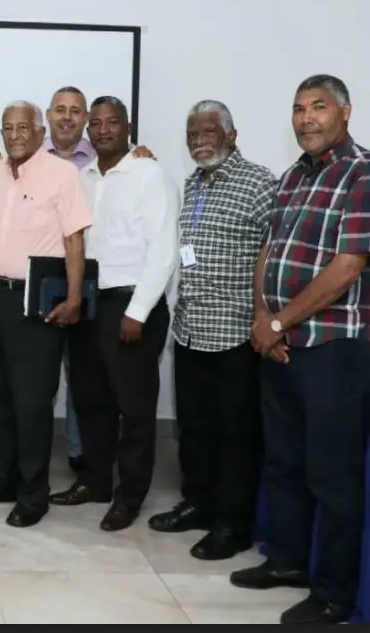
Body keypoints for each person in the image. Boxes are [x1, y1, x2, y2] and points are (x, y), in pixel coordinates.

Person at [231, 74, 370, 626]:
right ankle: (287, 561)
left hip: (334, 349)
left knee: (332, 475)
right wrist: (262, 319)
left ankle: (334, 593)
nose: (306, 118)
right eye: (298, 109)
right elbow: (270, 251)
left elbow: (348, 266)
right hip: (282, 345)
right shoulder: (293, 175)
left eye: (318, 107)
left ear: (345, 112)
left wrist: (279, 320)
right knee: (284, 461)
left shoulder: (361, 173)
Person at [0, 86, 154, 473]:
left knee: (82, 380)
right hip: (29, 291)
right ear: (48, 119)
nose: (67, 117)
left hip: (83, 287)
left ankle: (80, 455)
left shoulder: (105, 159)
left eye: (76, 111)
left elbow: (76, 236)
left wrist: (137, 152)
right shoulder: (14, 162)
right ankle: (19, 468)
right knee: (27, 387)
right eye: (60, 109)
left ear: (84, 119)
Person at [148, 100, 275, 561]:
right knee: (195, 429)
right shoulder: (193, 183)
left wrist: (266, 319)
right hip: (191, 332)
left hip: (237, 336)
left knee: (236, 436)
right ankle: (198, 504)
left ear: (231, 136)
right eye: (192, 135)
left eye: (207, 133)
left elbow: (273, 257)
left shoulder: (260, 184)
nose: (199, 142)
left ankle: (232, 525)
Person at [0, 100, 91, 528]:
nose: (14, 135)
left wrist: (74, 297)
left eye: (22, 128)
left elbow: (74, 241)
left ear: (39, 132)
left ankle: (33, 495)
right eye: (7, 128)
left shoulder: (62, 174)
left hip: (37, 304)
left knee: (31, 403)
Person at [49, 96, 177, 531]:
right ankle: (96, 481)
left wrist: (138, 311)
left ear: (128, 127)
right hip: (88, 303)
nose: (103, 130)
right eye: (97, 123)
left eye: (113, 122)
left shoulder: (149, 174)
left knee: (134, 408)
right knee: (91, 400)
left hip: (132, 305)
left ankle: (130, 496)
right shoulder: (82, 176)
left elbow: (163, 250)